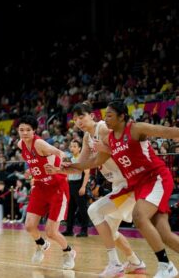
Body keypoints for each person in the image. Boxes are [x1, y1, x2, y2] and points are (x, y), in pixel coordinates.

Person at [66, 101, 179, 278]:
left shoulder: (135, 128)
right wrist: (65, 168)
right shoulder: (110, 139)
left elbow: (167, 131)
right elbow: (94, 162)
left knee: (137, 217)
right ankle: (135, 262)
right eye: (105, 115)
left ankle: (165, 265)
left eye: (110, 116)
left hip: (154, 178)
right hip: (137, 184)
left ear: (122, 116)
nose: (106, 119)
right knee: (164, 234)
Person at [48, 102, 146, 277]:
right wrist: (60, 169)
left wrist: (105, 149)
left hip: (129, 183)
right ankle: (136, 262)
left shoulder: (102, 129)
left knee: (95, 211)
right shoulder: (87, 137)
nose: (79, 121)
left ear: (92, 116)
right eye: (75, 119)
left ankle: (115, 264)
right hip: (118, 184)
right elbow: (83, 164)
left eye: (82, 116)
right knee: (111, 230)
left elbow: (123, 147)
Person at [17, 115, 75, 270]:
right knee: (29, 226)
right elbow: (35, 162)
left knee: (51, 231)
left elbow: (60, 153)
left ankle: (68, 252)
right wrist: (31, 171)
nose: (24, 133)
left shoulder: (40, 143)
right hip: (40, 186)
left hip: (57, 187)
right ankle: (41, 245)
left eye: (28, 130)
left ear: (34, 130)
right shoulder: (20, 144)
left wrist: (61, 164)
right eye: (21, 130)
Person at [63, 139, 90, 237]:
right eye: (71, 146)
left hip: (79, 184)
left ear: (79, 148)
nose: (72, 148)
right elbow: (65, 173)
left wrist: (83, 187)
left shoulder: (83, 159)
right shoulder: (68, 158)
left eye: (75, 146)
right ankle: (69, 230)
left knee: (82, 209)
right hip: (70, 185)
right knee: (70, 209)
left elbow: (87, 173)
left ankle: (84, 231)